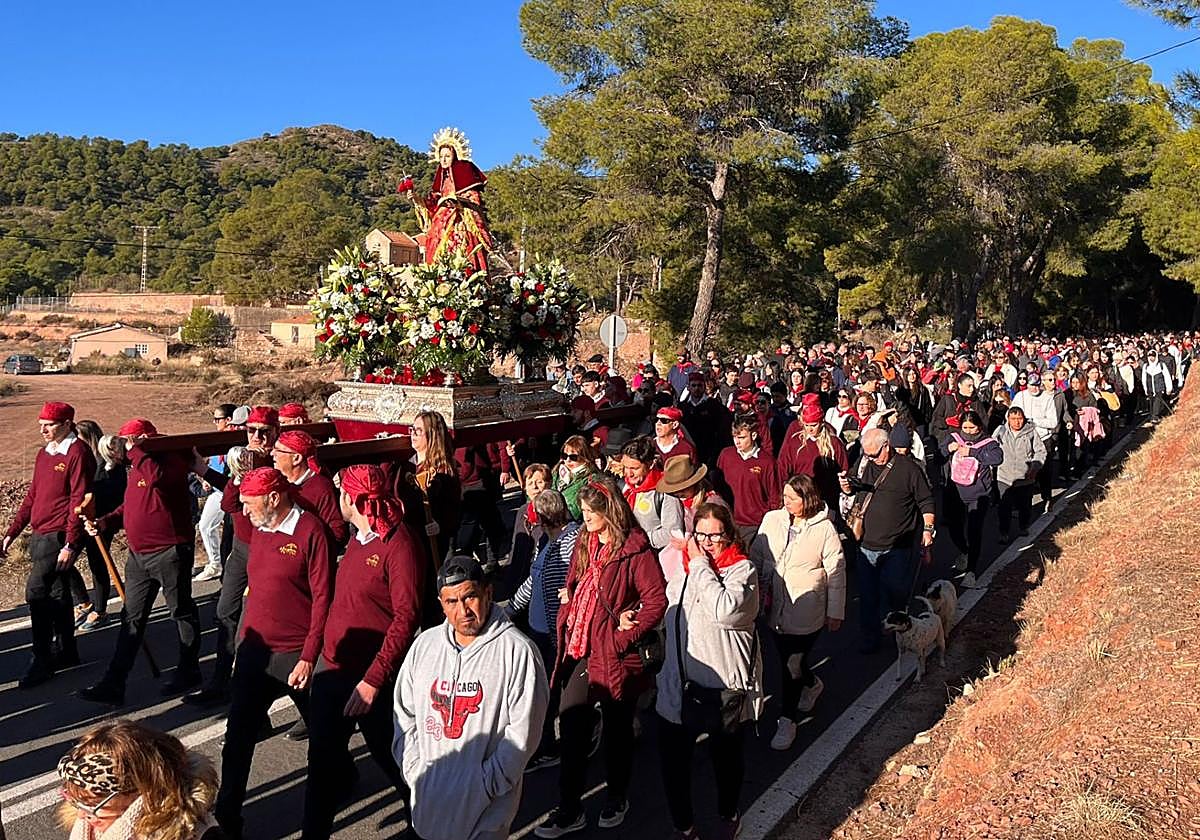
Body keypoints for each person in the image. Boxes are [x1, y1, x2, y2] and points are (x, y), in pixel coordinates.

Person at [536, 477, 667, 838]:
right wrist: (571, 592)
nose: (586, 516)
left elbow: (656, 600)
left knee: (617, 731)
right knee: (573, 725)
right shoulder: (586, 540)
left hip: (613, 652)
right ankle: (570, 807)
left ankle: (616, 796)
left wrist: (623, 636)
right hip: (579, 646)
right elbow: (577, 576)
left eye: (593, 511)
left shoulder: (635, 550)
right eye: (585, 510)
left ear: (610, 511)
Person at [302, 465, 424, 840]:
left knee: (397, 764)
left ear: (354, 500)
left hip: (372, 679)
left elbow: (407, 617)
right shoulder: (358, 537)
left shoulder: (398, 544)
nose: (337, 499)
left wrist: (373, 680)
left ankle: (429, 826)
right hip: (332, 670)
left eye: (342, 493)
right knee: (321, 765)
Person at [214, 468, 334, 839]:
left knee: (325, 739)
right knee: (237, 741)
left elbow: (323, 599)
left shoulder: (311, 532)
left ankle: (340, 781)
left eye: (250, 504)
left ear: (273, 498)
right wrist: (242, 645)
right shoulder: (260, 529)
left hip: (297, 654)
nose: (244, 513)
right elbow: (256, 594)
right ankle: (228, 820)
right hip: (256, 653)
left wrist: (310, 655)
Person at [393, 555, 549, 840]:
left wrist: (486, 783)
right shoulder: (424, 647)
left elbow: (523, 733)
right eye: (451, 602)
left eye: (470, 597)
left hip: (486, 813)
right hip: (429, 804)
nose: (462, 610)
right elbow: (404, 714)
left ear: (488, 593)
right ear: (441, 604)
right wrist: (415, 770)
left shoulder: (517, 652)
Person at [656, 503, 761, 840]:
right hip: (678, 683)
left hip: (723, 688)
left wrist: (699, 562)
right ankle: (684, 826)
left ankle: (728, 811)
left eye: (715, 535)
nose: (707, 542)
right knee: (673, 764)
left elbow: (724, 612)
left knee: (726, 761)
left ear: (729, 535)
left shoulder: (742, 572)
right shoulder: (685, 571)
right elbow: (670, 611)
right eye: (701, 535)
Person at [81, 419, 202, 703]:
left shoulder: (169, 460)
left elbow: (155, 479)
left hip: (170, 550)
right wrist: (105, 521)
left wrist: (135, 450)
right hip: (139, 556)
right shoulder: (136, 466)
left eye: (128, 441)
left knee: (181, 611)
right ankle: (115, 682)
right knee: (131, 618)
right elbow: (131, 504)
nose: (123, 448)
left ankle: (189, 670)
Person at [1, 401, 95, 688]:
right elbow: (32, 495)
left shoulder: (77, 453)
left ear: (67, 424)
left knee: (36, 592)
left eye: (49, 424)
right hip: (40, 532)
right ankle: (67, 649)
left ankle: (41, 658)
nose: (42, 428)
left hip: (58, 535)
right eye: (41, 423)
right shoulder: (45, 454)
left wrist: (70, 542)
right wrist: (11, 532)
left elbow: (78, 500)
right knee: (57, 592)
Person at [753, 474, 845, 751]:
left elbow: (836, 571)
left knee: (791, 663)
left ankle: (787, 719)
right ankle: (812, 683)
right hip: (774, 606)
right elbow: (757, 555)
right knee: (787, 661)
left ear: (808, 498)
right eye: (785, 497)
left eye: (793, 498)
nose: (787, 502)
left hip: (806, 608)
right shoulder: (772, 520)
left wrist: (835, 611)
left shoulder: (824, 529)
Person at [838, 428, 935, 654]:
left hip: (898, 547)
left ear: (887, 446)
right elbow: (855, 486)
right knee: (868, 596)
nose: (871, 458)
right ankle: (870, 637)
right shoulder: (863, 464)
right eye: (867, 454)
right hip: (867, 545)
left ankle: (899, 632)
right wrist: (847, 487)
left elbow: (926, 501)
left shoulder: (909, 469)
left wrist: (928, 530)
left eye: (874, 454)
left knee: (895, 592)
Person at [184, 447, 268, 708]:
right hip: (242, 549)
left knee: (253, 623)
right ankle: (220, 681)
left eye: (263, 431)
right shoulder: (243, 469)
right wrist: (207, 470)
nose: (256, 437)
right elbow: (229, 502)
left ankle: (250, 693)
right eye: (252, 431)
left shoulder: (273, 464)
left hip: (266, 549)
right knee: (225, 612)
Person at [507, 489, 580, 772]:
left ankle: (547, 746)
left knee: (547, 693)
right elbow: (533, 580)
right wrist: (510, 609)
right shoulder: (548, 543)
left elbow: (562, 593)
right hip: (539, 631)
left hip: (553, 634)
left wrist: (557, 635)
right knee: (540, 691)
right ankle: (543, 742)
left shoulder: (568, 544)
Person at [56, 719, 225, 840]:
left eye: (92, 804)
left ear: (140, 792)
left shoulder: (200, 835)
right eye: (75, 801)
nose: (81, 814)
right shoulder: (88, 829)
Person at [406, 128, 494, 274]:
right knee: (436, 250)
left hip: (460, 222)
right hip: (440, 225)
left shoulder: (465, 173)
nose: (444, 159)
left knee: (464, 250)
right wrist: (416, 198)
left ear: (455, 155)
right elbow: (432, 204)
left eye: (447, 155)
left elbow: (474, 199)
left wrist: (459, 203)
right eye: (441, 156)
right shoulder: (441, 180)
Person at [939, 410, 1002, 589]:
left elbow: (997, 458)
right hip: (955, 493)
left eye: (971, 428)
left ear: (979, 426)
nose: (967, 431)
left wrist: (973, 452)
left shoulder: (988, 442)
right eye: (964, 427)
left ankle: (971, 571)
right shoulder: (953, 438)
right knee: (954, 528)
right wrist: (946, 449)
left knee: (974, 532)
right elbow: (937, 457)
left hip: (978, 493)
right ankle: (965, 551)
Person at [271, 429, 349, 550]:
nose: (272, 454)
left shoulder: (321, 487)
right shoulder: (277, 481)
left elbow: (337, 532)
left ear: (296, 458)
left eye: (278, 450)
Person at [716, 417, 781, 544]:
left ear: (754, 435)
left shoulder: (767, 462)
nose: (737, 442)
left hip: (754, 524)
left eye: (742, 438)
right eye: (735, 437)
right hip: (727, 521)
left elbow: (774, 495)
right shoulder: (726, 455)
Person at [619, 436, 685, 553]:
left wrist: (639, 540)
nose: (629, 473)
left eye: (635, 468)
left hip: (653, 555)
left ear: (649, 464)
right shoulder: (625, 488)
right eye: (625, 467)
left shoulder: (665, 493)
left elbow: (672, 533)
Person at [194, 405, 237, 583]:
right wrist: (207, 479)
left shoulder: (235, 440)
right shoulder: (218, 440)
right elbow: (213, 464)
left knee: (218, 528)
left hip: (227, 490)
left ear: (228, 420)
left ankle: (217, 564)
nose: (215, 422)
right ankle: (216, 563)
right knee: (206, 525)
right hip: (217, 490)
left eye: (218, 419)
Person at [994, 406, 1046, 545]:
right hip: (1004, 477)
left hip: (1025, 478)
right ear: (1008, 419)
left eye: (1020, 419)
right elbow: (992, 448)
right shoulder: (1000, 431)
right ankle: (1004, 533)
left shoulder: (1031, 432)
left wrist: (1035, 467)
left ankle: (1023, 526)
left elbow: (1040, 452)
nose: (1017, 422)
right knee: (1004, 507)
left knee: (1025, 506)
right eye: (1013, 419)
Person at [553, 435, 600, 520]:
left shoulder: (592, 479)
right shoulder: (556, 473)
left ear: (584, 457)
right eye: (564, 455)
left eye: (573, 457)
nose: (568, 460)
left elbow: (576, 510)